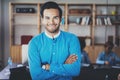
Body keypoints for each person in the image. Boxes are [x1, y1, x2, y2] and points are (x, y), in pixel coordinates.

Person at [28, 1, 81, 80]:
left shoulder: (72, 39)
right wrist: (63, 64)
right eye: (47, 18)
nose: (51, 22)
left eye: (55, 17)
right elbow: (36, 76)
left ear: (60, 19)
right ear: (42, 20)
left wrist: (47, 67)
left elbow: (75, 70)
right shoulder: (34, 43)